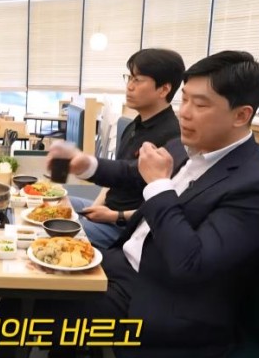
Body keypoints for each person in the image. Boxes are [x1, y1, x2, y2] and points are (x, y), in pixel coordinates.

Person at [0, 50, 259, 358]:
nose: (184, 112)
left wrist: (159, 185)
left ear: (241, 115)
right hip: (121, 269)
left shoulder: (258, 186)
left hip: (163, 307)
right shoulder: (188, 147)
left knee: (15, 315)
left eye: (200, 104)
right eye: (184, 100)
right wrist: (85, 164)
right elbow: (132, 171)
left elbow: (192, 264)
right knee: (22, 286)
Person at [69, 48, 184, 248]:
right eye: (129, 78)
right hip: (107, 212)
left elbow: (163, 205)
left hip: (127, 227)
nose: (129, 86)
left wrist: (114, 216)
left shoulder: (172, 137)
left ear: (164, 89)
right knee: (54, 204)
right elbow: (116, 177)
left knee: (50, 229)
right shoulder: (133, 125)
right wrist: (93, 209)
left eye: (137, 80)